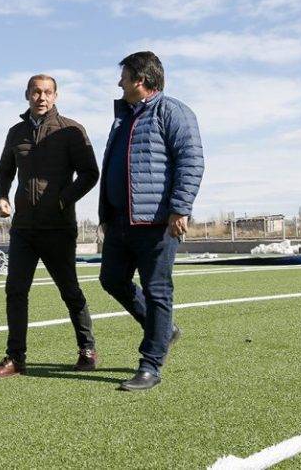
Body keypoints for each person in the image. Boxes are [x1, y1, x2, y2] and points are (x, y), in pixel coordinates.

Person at [98, 51, 204, 391]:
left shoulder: (172, 112)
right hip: (120, 221)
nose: (120, 83)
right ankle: (164, 330)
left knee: (157, 290)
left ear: (140, 80)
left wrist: (180, 208)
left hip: (157, 223)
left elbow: (191, 161)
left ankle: (151, 365)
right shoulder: (124, 117)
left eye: (124, 76)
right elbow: (114, 166)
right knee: (112, 279)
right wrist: (105, 214)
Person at [0, 74, 100, 379]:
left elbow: (90, 173)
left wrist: (63, 200)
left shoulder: (71, 130)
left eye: (48, 92)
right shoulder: (16, 133)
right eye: (36, 92)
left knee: (69, 290)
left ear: (56, 96)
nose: (42, 97)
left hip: (58, 228)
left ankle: (87, 349)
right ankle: (15, 359)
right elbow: (4, 171)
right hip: (23, 228)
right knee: (15, 290)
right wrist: (1, 197)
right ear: (27, 95)